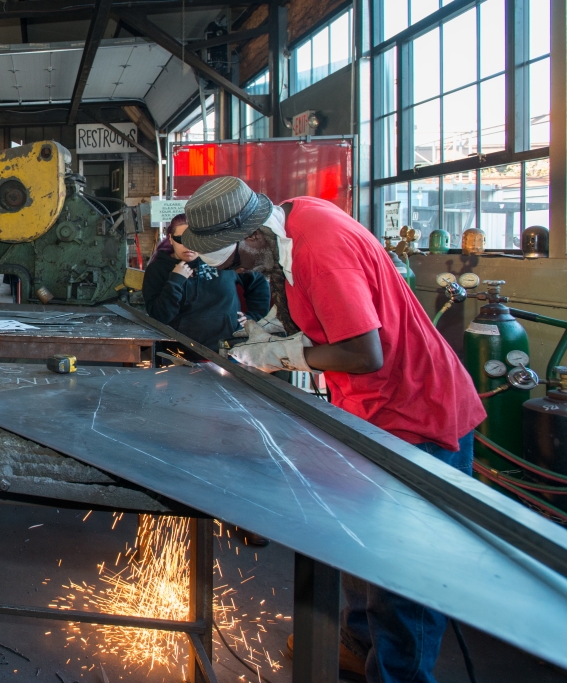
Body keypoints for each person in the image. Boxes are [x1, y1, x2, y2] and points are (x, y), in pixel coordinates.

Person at [180, 176, 487, 683]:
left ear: (254, 236)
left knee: (402, 574)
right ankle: (357, 642)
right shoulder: (294, 223)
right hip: (371, 412)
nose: (239, 272)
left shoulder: (320, 248)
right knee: (361, 545)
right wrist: (275, 330)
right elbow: (322, 312)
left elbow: (365, 353)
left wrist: (279, 355)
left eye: (236, 262)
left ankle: (398, 675)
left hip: (416, 415)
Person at [143, 213, 270, 355]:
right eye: (181, 239)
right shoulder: (158, 269)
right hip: (181, 354)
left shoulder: (223, 260)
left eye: (195, 240)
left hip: (230, 350)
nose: (189, 246)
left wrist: (254, 317)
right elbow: (159, 316)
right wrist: (175, 280)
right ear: (171, 239)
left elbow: (257, 281)